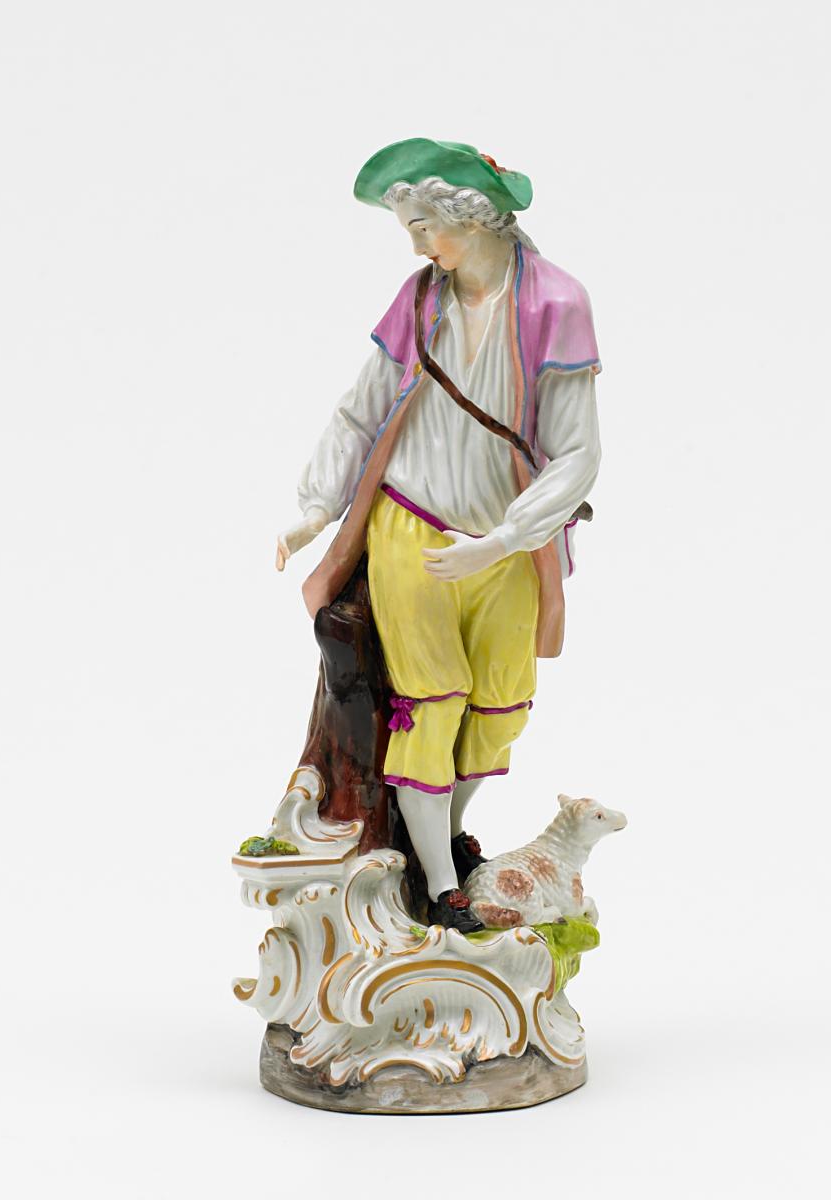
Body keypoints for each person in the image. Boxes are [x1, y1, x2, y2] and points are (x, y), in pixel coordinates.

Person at [275, 139, 602, 932]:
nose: (418, 247)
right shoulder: (421, 298)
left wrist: (506, 538)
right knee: (431, 702)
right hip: (412, 526)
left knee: (497, 706)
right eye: (410, 230)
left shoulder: (554, 304)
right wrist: (316, 505)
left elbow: (577, 451)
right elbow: (362, 406)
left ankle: (443, 831)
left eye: (425, 227)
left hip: (505, 546)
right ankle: (441, 882)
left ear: (474, 217)